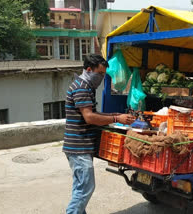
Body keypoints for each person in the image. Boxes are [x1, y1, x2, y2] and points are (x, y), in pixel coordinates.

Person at [63, 54, 135, 214]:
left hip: (78, 147)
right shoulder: (81, 88)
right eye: (100, 74)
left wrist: (116, 116)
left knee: (80, 188)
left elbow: (93, 113)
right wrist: (116, 118)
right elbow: (89, 117)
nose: (102, 78)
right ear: (89, 70)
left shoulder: (85, 86)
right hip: (78, 147)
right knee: (85, 188)